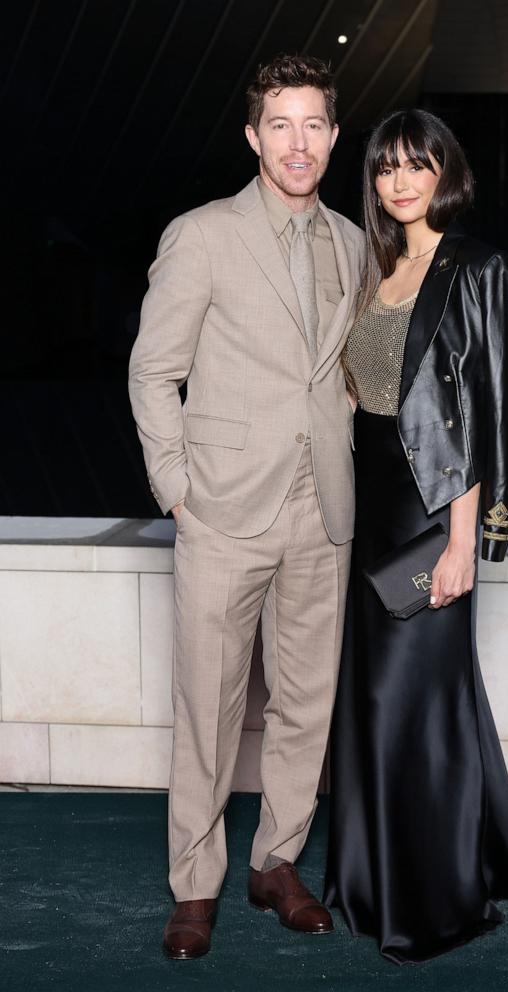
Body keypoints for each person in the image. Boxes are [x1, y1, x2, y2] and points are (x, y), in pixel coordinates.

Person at [128, 54, 365, 959]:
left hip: (321, 509)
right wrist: (178, 493)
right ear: (253, 136)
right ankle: (194, 886)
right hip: (222, 508)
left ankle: (276, 863)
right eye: (281, 125)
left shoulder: (350, 240)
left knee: (306, 702)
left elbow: (339, 373)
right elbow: (154, 371)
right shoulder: (203, 234)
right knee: (210, 705)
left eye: (313, 125)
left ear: (332, 136)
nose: (297, 143)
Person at [323, 108, 508, 964]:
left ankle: (433, 899)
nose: (401, 181)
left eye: (418, 165)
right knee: (379, 702)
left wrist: (466, 543)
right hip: (367, 507)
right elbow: (356, 393)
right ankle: (372, 879)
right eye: (386, 168)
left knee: (414, 705)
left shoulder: (478, 268)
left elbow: (488, 415)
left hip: (430, 510)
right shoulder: (377, 267)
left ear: (445, 171)